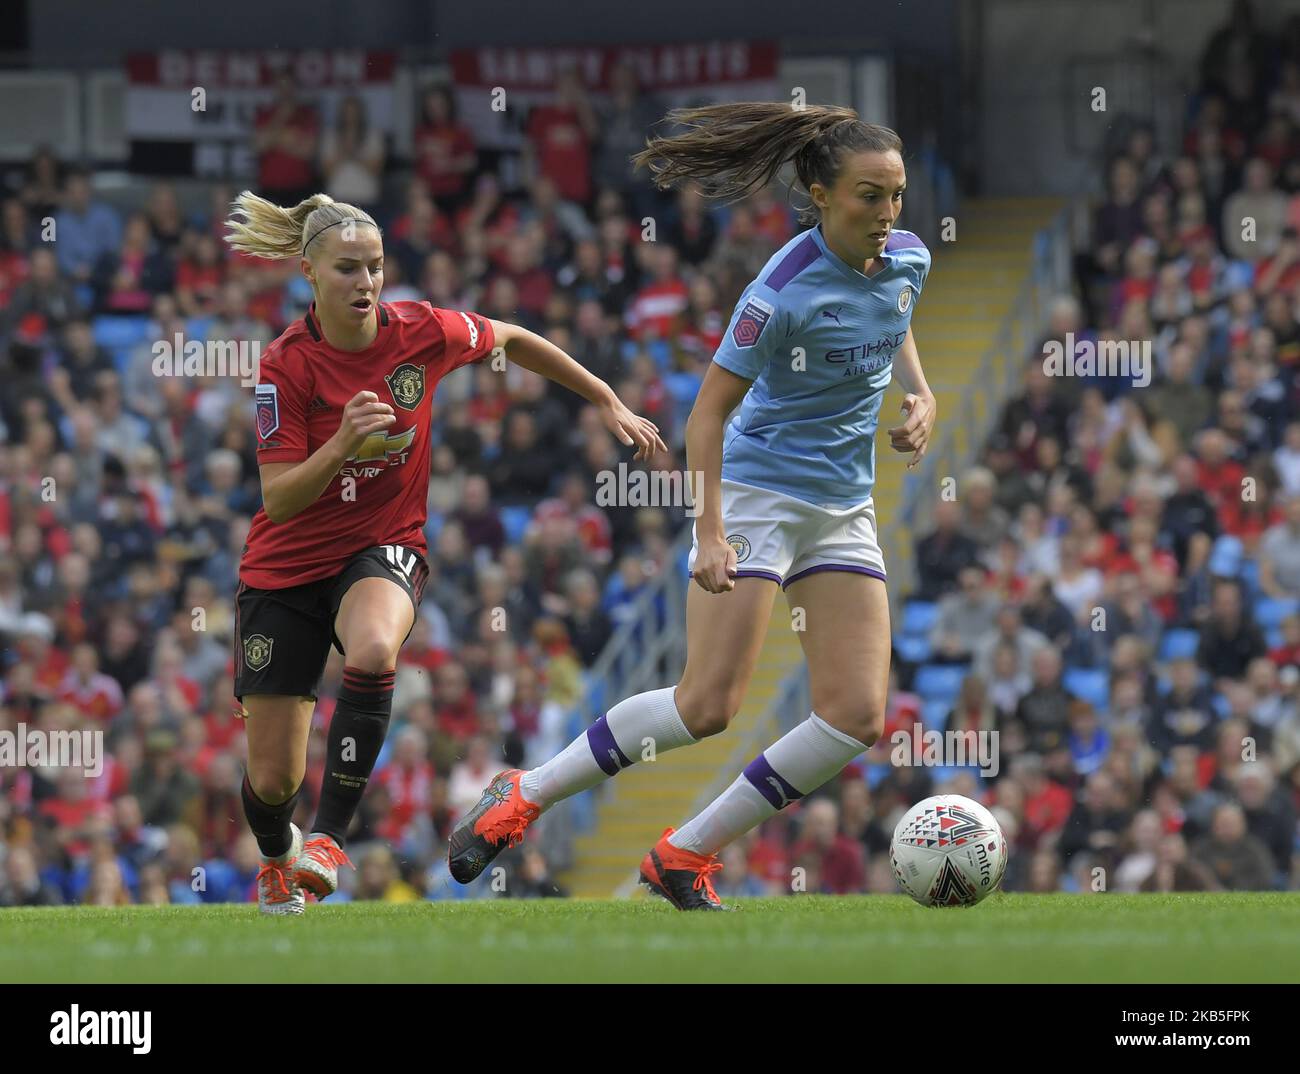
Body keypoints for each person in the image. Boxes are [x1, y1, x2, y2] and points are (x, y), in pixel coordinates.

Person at [447, 103, 936, 910]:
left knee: (856, 716)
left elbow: (899, 318)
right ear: (819, 194)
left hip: (845, 504)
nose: (887, 215)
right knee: (705, 706)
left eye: (896, 196)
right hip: (757, 494)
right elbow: (705, 415)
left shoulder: (908, 258)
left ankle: (685, 853)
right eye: (868, 197)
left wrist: (922, 395)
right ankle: (526, 791)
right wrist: (710, 531)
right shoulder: (776, 291)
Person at [223, 190, 664, 914]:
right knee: (273, 781)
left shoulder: (421, 330)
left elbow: (514, 338)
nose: (365, 283)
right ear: (308, 272)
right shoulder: (285, 366)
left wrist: (604, 397)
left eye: (375, 267)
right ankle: (280, 857)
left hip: (382, 544)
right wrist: (342, 445)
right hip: (285, 569)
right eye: (347, 269)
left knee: (372, 649)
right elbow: (279, 500)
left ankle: (330, 839)